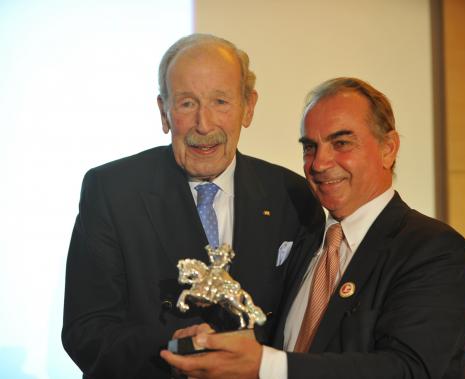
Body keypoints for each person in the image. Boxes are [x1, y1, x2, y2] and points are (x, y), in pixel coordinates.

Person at [160, 77, 465, 379]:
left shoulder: (434, 251)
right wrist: (220, 347)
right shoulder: (303, 241)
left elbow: (409, 371)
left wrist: (265, 366)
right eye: (309, 147)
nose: (319, 163)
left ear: (388, 148)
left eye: (341, 142)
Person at [61, 33, 324, 379]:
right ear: (164, 111)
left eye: (220, 102)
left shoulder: (292, 196)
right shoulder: (112, 191)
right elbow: (86, 331)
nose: (204, 124)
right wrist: (173, 344)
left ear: (248, 107)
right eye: (187, 103)